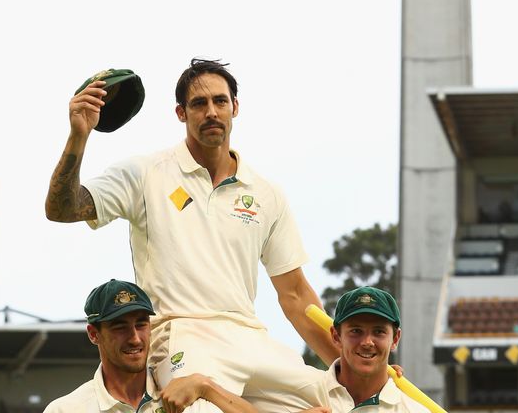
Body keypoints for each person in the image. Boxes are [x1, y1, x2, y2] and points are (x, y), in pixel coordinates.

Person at [45, 59, 335, 412]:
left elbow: (294, 294)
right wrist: (79, 135)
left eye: (220, 101)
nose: (211, 112)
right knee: (201, 410)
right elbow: (62, 208)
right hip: (182, 337)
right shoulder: (145, 173)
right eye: (199, 104)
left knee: (346, 398)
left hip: (251, 336)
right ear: (181, 113)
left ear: (235, 107)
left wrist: (350, 365)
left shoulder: (266, 192)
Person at [44, 279, 260, 413]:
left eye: (141, 324)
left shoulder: (180, 390)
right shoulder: (66, 409)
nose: (135, 338)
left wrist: (205, 386)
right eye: (120, 327)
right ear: (94, 334)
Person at [312, 286, 429, 413]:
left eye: (379, 331)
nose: (367, 342)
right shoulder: (304, 393)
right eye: (356, 331)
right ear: (336, 336)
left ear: (395, 339)